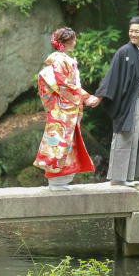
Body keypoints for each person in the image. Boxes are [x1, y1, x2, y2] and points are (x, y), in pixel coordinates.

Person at [87, 17, 139, 186]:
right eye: (131, 31)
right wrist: (99, 97)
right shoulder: (123, 52)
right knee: (126, 136)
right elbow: (111, 77)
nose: (132, 34)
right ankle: (119, 178)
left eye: (136, 31)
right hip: (129, 102)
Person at [33, 27, 96, 191]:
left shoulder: (61, 59)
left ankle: (60, 181)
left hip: (63, 108)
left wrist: (82, 96)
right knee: (59, 143)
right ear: (68, 42)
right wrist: (84, 96)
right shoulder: (60, 61)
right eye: (73, 40)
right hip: (62, 109)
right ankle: (56, 180)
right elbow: (62, 85)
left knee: (63, 143)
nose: (75, 42)